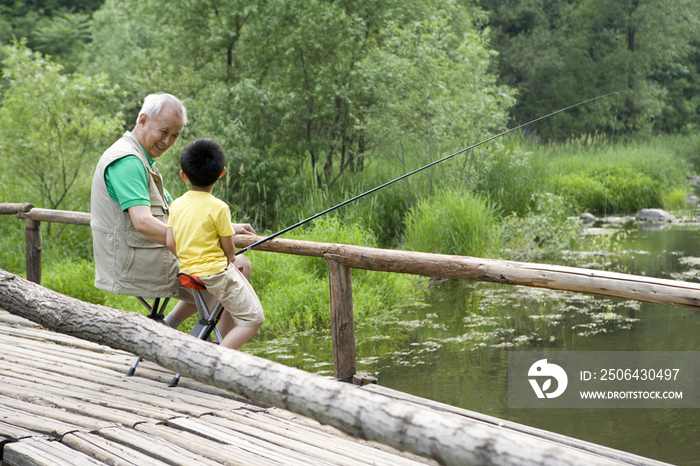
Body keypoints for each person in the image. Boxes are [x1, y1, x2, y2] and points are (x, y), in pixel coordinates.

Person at [90, 92, 255, 332]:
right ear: (143, 120)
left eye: (175, 136)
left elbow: (178, 213)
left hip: (142, 254)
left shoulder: (140, 158)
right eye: (164, 132)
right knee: (239, 266)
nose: (167, 142)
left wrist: (226, 227)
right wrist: (196, 242)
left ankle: (169, 331)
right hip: (133, 262)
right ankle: (212, 354)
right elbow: (143, 223)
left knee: (215, 267)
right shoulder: (127, 161)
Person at [166, 138, 264, 349]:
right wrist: (229, 258)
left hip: (188, 273)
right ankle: (213, 362)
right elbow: (229, 249)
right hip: (216, 275)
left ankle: (203, 346)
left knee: (230, 312)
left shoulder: (176, 205)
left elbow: (169, 241)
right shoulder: (219, 208)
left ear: (183, 175)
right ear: (222, 172)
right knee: (253, 319)